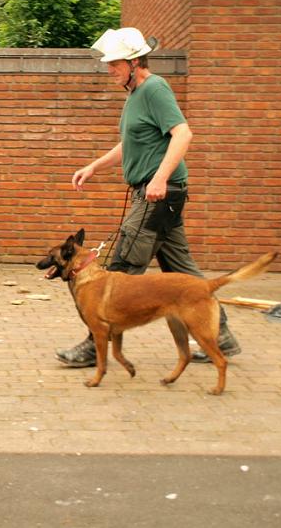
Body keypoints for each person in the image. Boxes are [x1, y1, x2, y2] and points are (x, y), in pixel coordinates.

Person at [56, 27, 241, 367]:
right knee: (180, 268)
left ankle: (91, 343)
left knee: (122, 266)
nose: (108, 69)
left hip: (159, 194)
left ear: (135, 62)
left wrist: (159, 178)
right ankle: (224, 338)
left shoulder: (154, 88)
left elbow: (182, 134)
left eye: (115, 64)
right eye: (108, 63)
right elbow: (132, 144)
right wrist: (95, 166)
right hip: (163, 195)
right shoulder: (134, 97)